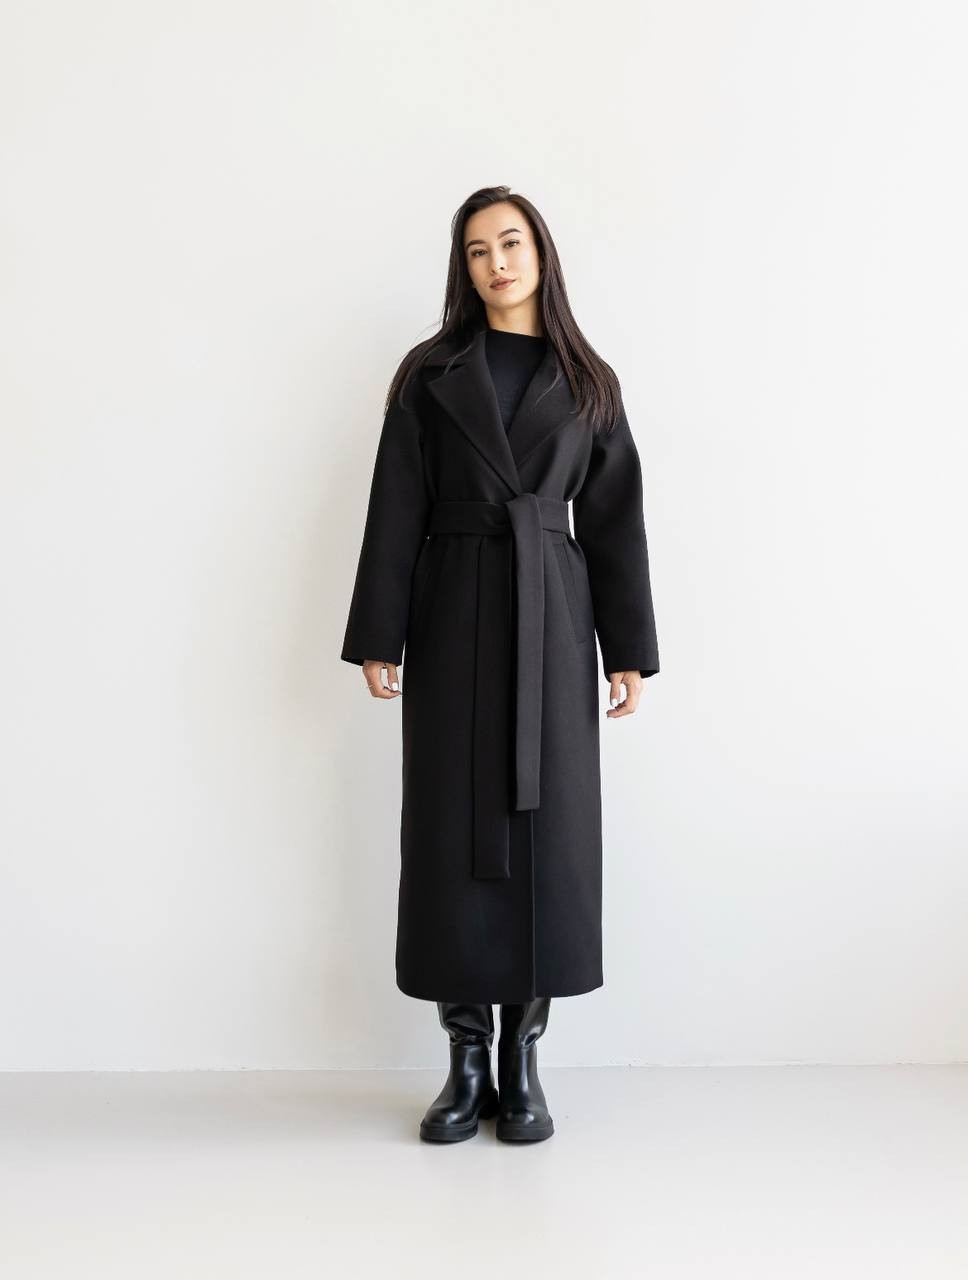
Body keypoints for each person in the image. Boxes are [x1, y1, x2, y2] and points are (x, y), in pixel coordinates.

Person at [341, 185, 660, 1143]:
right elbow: (395, 502)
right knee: (449, 826)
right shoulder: (429, 374)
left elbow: (615, 520)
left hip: (552, 616)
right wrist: (381, 633)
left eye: (511, 243)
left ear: (541, 253)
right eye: (478, 250)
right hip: (451, 610)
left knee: (547, 830)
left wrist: (628, 651)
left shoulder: (589, 378)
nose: (497, 263)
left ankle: (523, 1057)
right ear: (464, 267)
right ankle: (465, 1058)